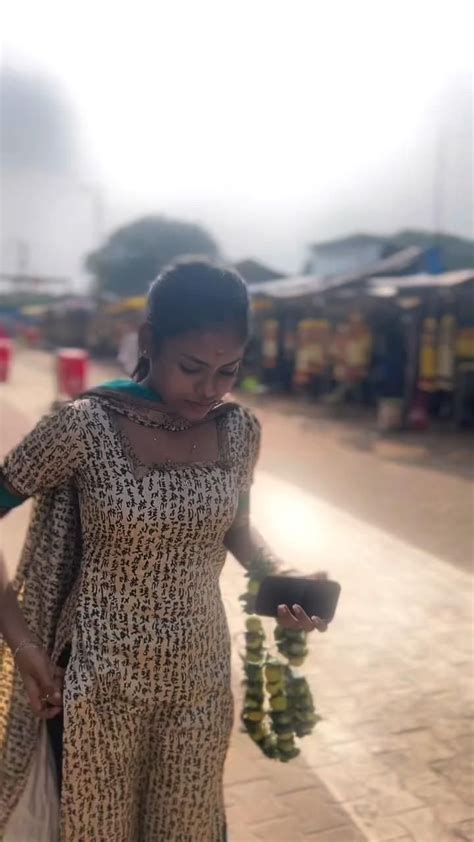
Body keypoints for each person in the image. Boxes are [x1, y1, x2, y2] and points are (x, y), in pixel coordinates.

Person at [0, 258, 328, 842]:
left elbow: (236, 528)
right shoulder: (85, 427)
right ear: (149, 341)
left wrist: (280, 576)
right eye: (192, 368)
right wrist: (24, 645)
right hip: (97, 686)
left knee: (187, 829)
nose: (210, 388)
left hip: (199, 680)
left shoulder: (238, 430)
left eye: (229, 370)